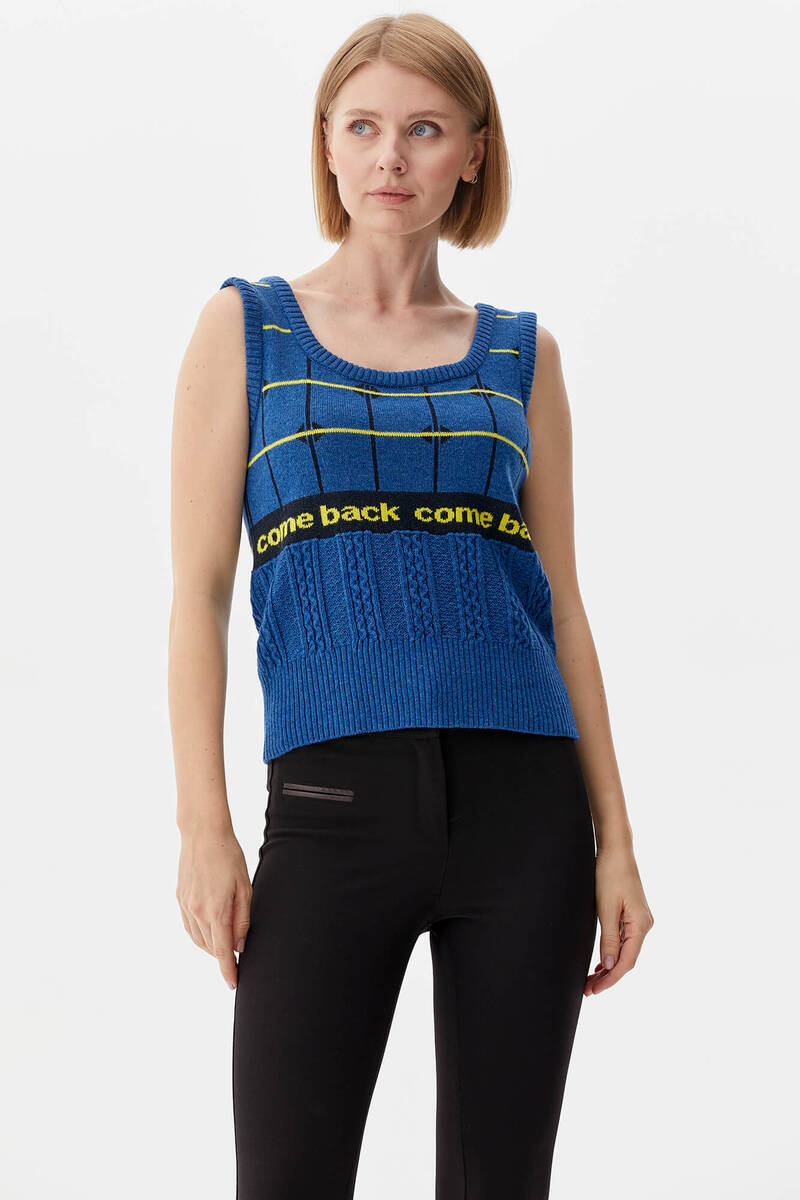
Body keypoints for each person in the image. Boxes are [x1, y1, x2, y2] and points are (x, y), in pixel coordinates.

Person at [169, 12, 654, 1199]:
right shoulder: (248, 329)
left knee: (499, 1183)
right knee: (286, 1177)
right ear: (326, 146)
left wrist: (615, 843)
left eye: (425, 129)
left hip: (525, 812)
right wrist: (203, 829)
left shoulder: (519, 356)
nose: (390, 156)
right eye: (363, 127)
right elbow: (198, 591)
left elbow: (562, 605)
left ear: (473, 153)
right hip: (329, 809)